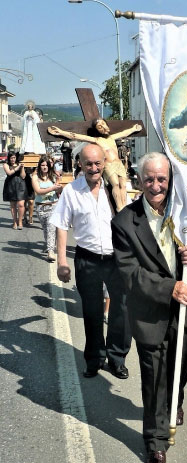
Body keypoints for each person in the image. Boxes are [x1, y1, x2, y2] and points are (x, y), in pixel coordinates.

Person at [111, 152, 187, 463]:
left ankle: (176, 401)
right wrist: (168, 287)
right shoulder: (124, 221)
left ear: (170, 181)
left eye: (162, 179)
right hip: (149, 314)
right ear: (139, 180)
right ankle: (155, 441)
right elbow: (129, 274)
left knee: (180, 369)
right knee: (154, 379)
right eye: (150, 179)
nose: (156, 185)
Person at [50, 143, 131, 380]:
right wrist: (61, 262)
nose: (94, 168)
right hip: (88, 258)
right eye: (89, 163)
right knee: (92, 310)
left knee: (121, 309)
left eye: (98, 163)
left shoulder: (118, 188)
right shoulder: (71, 191)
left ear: (104, 163)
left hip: (117, 258)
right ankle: (95, 358)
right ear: (80, 164)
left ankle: (117, 359)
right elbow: (62, 226)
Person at [47, 119, 142, 212]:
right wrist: (61, 132)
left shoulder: (112, 138)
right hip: (108, 165)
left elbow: (124, 133)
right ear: (97, 130)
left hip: (118, 164)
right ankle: (119, 207)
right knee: (116, 184)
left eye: (103, 124)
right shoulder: (96, 140)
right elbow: (76, 136)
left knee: (123, 185)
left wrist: (134, 129)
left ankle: (124, 205)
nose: (103, 127)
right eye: (100, 127)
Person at [31, 156, 62, 261]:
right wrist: (52, 188)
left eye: (46, 165)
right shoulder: (35, 177)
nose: (44, 167)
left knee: (51, 228)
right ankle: (50, 246)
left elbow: (57, 190)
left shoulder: (52, 176)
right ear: (39, 166)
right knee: (46, 229)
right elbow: (38, 191)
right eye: (42, 165)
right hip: (41, 207)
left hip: (53, 205)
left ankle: (50, 251)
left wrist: (58, 182)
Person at [3, 151, 28, 230]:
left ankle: (20, 221)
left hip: (20, 185)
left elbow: (23, 176)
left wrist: (22, 168)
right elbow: (9, 173)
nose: (13, 159)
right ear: (9, 158)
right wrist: (17, 168)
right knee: (13, 204)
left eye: (14, 157)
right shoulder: (6, 165)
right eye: (11, 158)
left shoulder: (20, 164)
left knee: (21, 204)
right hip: (11, 185)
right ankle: (14, 221)